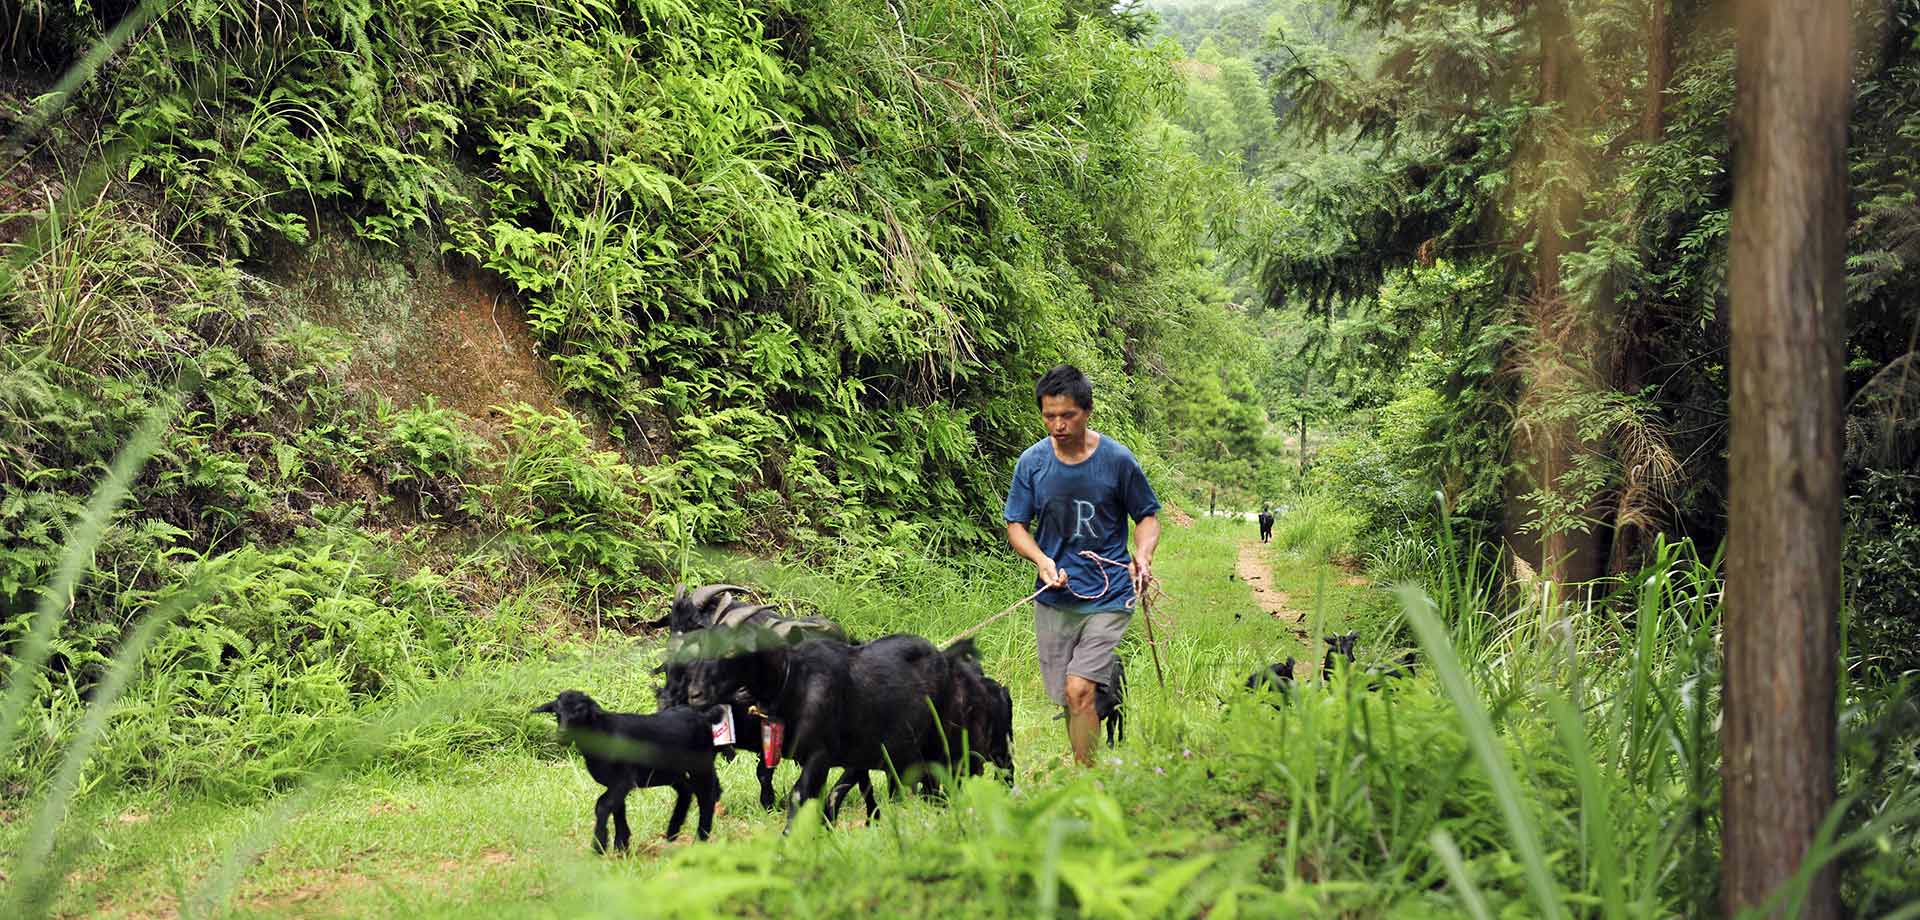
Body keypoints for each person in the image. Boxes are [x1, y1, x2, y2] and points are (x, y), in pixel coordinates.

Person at [1003, 364, 1160, 767]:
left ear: (1087, 411)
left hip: (1110, 593)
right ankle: (1096, 731)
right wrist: (1041, 559)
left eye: (1067, 415)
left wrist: (1141, 557)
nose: (1057, 424)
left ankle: (1087, 782)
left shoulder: (1117, 461)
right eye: (1049, 415)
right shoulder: (1032, 464)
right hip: (1056, 598)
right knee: (1066, 697)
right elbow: (1016, 526)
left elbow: (1146, 517)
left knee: (1078, 691)